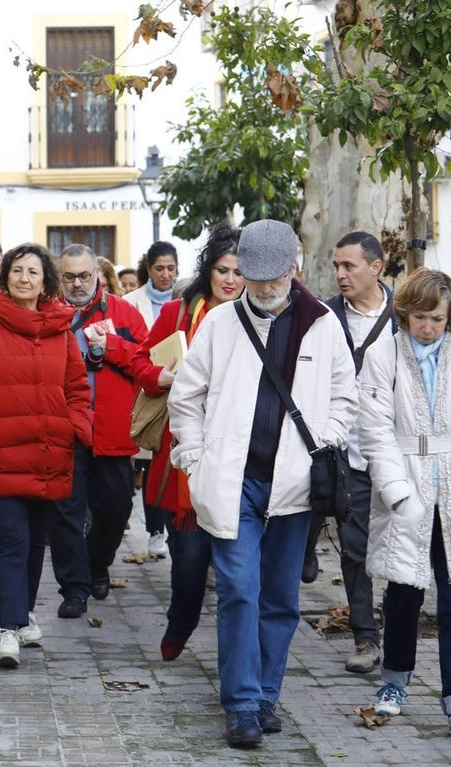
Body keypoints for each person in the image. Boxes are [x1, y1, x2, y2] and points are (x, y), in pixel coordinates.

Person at [168, 219, 357, 748]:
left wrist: (325, 438)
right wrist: (195, 459)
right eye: (255, 277)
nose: (266, 287)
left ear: (294, 268)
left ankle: (267, 694)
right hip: (234, 481)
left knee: (279, 598)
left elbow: (346, 397)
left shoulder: (322, 323)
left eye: (276, 276)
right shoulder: (221, 323)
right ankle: (243, 705)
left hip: (295, 486)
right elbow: (186, 397)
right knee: (237, 591)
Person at [0, 243, 92, 668]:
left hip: (49, 455)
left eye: (33, 272)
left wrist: (75, 428)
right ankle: (8, 630)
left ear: (46, 280)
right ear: (5, 277)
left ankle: (23, 615)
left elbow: (78, 390)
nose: (24, 278)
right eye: (17, 271)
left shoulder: (61, 334)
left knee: (34, 544)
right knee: (11, 539)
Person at [129, 223, 242, 663]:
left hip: (240, 457)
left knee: (237, 569)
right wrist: (160, 376)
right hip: (183, 461)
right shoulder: (179, 313)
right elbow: (141, 358)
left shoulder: (261, 317)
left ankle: (238, 659)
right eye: (222, 270)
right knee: (190, 562)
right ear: (208, 271)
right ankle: (181, 621)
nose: (231, 280)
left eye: (238, 271)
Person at [301, 232, 395, 673]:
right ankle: (366, 639)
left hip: (397, 452)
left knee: (397, 548)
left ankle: (398, 630)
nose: (339, 274)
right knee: (354, 549)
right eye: (336, 266)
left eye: (349, 266)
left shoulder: (406, 315)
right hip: (344, 452)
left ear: (376, 268)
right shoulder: (321, 316)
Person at [360, 268, 451, 726]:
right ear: (405, 315)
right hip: (407, 478)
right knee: (403, 589)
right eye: (419, 317)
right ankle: (394, 677)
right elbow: (374, 428)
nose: (428, 327)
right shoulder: (384, 354)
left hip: (450, 479)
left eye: (436, 317)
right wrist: (397, 491)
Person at [49, 243, 148, 620]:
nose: (76, 283)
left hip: (110, 430)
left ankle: (97, 563)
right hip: (63, 430)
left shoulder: (122, 313)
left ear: (98, 276)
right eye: (69, 276)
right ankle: (74, 588)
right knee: (66, 513)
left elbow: (146, 360)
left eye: (84, 276)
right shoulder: (48, 314)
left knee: (116, 506)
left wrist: (112, 347)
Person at [123, 241, 180, 557]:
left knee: (169, 461)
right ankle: (155, 530)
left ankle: (169, 529)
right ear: (149, 269)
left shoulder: (186, 301)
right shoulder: (131, 302)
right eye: (160, 268)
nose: (166, 274)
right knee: (148, 464)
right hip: (147, 391)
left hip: (179, 389)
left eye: (171, 268)